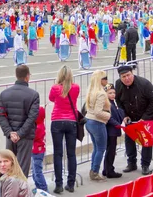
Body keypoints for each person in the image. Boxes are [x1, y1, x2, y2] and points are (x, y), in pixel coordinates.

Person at [0, 65, 40, 177]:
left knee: (7, 168)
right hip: (25, 137)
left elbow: (1, 115)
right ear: (27, 77)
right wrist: (20, 133)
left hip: (10, 137)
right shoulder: (33, 95)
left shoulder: (4, 94)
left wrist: (10, 133)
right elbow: (32, 117)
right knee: (22, 170)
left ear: (16, 76)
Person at [115, 64, 153, 175]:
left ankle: (145, 164)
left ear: (132, 73)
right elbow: (118, 101)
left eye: (128, 75)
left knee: (146, 141)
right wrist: (124, 115)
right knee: (129, 140)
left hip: (146, 116)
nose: (126, 78)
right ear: (120, 77)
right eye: (123, 76)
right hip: (130, 117)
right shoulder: (118, 84)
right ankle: (131, 163)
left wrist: (144, 118)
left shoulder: (144, 84)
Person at [49, 65, 80, 193]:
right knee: (71, 153)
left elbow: (51, 98)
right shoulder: (76, 87)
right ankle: (71, 184)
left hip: (57, 120)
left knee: (58, 153)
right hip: (71, 120)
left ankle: (59, 184)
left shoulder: (55, 88)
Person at [85, 70, 110, 182]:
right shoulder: (100, 94)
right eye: (105, 78)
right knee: (101, 148)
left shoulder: (91, 91)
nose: (107, 80)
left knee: (96, 147)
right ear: (101, 80)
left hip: (89, 120)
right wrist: (108, 115)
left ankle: (93, 169)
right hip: (97, 122)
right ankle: (95, 171)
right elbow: (98, 112)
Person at [103, 83, 124, 179]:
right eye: (110, 93)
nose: (112, 95)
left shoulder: (113, 103)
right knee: (111, 151)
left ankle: (106, 169)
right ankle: (109, 170)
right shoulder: (107, 103)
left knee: (110, 151)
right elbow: (109, 118)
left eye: (114, 93)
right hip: (110, 130)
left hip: (113, 130)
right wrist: (117, 124)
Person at [32, 106, 48, 193]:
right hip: (35, 151)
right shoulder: (39, 124)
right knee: (34, 172)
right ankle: (38, 188)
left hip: (38, 152)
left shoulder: (38, 127)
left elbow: (32, 137)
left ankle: (44, 188)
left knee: (37, 172)